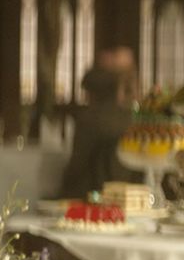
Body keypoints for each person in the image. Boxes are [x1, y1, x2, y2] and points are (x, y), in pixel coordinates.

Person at [60, 48, 141, 198]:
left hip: (93, 195)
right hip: (133, 194)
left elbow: (76, 168)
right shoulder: (133, 118)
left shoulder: (88, 120)